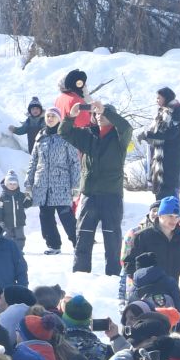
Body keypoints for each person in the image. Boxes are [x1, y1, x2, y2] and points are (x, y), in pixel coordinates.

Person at [61, 97, 132, 274]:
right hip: (89, 195)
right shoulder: (88, 135)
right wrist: (71, 116)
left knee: (112, 239)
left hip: (111, 196)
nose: (98, 116)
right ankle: (80, 274)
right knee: (83, 236)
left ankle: (113, 276)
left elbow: (127, 127)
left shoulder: (119, 137)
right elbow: (64, 132)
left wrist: (105, 110)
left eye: (102, 113)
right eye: (95, 113)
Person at [26, 107, 81, 256]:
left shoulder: (65, 136)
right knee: (45, 216)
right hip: (42, 184)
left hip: (61, 183)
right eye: (48, 116)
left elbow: (74, 162)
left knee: (66, 216)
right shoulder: (40, 137)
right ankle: (53, 245)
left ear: (59, 119)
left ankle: (79, 244)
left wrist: (75, 185)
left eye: (53, 116)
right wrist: (28, 183)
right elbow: (33, 162)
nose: (50, 118)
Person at [144, 87, 180, 200]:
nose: (156, 100)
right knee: (161, 190)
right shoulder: (163, 111)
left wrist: (148, 135)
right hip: (161, 157)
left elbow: (170, 134)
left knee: (170, 190)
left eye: (159, 97)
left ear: (166, 97)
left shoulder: (177, 112)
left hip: (172, 157)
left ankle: (172, 215)